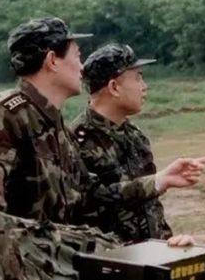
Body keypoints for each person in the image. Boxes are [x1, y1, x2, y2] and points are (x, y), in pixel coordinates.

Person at [0, 18, 205, 229]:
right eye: (77, 57)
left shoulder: (54, 126)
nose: (82, 68)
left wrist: (160, 181)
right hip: (26, 263)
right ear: (52, 60)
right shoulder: (5, 115)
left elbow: (88, 195)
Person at [72, 43, 173, 243]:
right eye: (138, 78)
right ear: (114, 87)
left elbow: (150, 206)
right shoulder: (78, 140)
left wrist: (166, 242)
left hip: (151, 252)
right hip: (112, 256)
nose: (144, 86)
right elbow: (91, 199)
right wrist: (158, 182)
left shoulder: (135, 135)